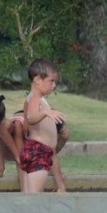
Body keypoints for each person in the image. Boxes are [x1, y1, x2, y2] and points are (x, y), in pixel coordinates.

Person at [18, 59, 66, 194]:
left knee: (29, 197)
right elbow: (31, 118)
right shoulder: (35, 98)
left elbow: (27, 125)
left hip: (37, 150)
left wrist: (61, 186)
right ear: (38, 79)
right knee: (33, 199)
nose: (54, 85)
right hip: (37, 152)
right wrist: (45, 112)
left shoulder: (33, 98)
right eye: (51, 81)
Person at [0, 110, 69, 190]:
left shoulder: (50, 131)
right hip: (12, 148)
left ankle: (45, 164)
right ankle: (0, 168)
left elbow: (53, 154)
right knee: (3, 132)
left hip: (37, 131)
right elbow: (20, 159)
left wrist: (61, 187)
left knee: (64, 135)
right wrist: (24, 190)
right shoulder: (18, 126)